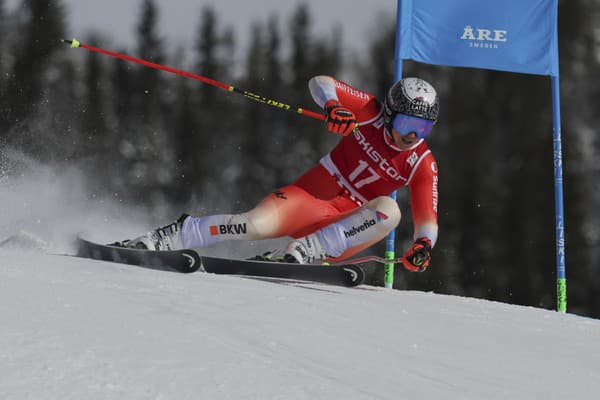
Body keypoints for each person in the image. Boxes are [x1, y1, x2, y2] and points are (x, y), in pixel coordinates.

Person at [126, 75, 440, 272]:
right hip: (314, 195)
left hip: (347, 225)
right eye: (406, 125)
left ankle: (302, 251)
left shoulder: (422, 162)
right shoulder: (370, 112)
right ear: (388, 114)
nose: (413, 135)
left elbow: (428, 220)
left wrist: (423, 247)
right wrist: (333, 106)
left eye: (423, 128)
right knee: (252, 224)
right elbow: (321, 82)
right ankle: (171, 236)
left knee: (390, 210)